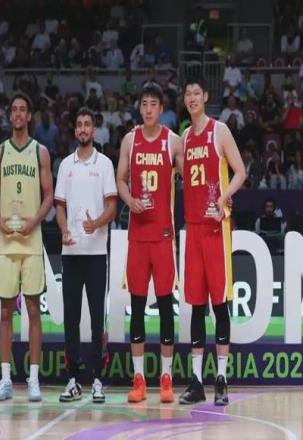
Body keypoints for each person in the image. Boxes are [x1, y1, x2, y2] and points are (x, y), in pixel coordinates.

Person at [178, 77, 245, 406]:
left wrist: (223, 197)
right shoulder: (184, 138)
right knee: (195, 305)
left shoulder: (220, 131)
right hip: (193, 229)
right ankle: (196, 381)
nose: (192, 98)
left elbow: (241, 171)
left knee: (219, 304)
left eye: (196, 93)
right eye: (187, 94)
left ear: (205, 96)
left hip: (216, 230)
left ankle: (221, 379)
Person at [117, 82, 184, 404]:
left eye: (153, 104)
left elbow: (191, 177)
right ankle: (139, 378)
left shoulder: (173, 141)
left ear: (161, 108)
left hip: (163, 235)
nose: (148, 109)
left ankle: (166, 377)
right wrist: (129, 200)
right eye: (144, 103)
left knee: (166, 305)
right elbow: (120, 179)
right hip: (138, 235)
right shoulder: (130, 139)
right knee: (138, 305)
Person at [0, 92, 53, 402]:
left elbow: (49, 195)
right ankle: (5, 380)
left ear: (29, 116)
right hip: (6, 241)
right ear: (10, 116)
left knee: (33, 310)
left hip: (31, 240)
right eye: (13, 109)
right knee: (5, 311)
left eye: (22, 110)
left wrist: (34, 221)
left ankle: (33, 380)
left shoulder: (40, 152)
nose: (17, 114)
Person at [55, 107, 117, 403]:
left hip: (95, 253)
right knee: (70, 318)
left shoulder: (104, 164)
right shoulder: (65, 165)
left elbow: (112, 207)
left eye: (87, 124)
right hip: (70, 253)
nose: (82, 129)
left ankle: (97, 379)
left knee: (96, 320)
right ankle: (72, 379)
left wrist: (97, 223)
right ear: (75, 130)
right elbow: (59, 206)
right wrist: (64, 229)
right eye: (79, 124)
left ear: (94, 130)